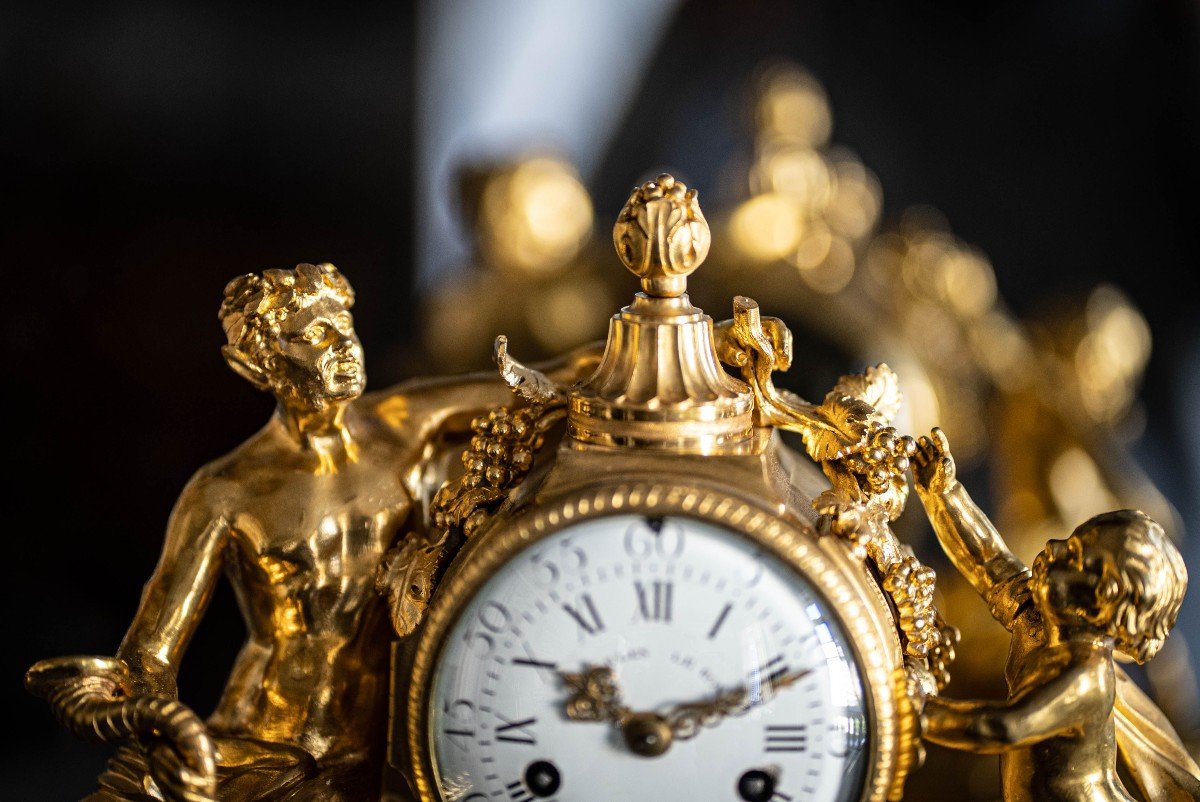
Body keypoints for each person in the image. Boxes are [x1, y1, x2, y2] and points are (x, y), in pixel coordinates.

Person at [28, 263, 514, 801]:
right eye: (315, 335)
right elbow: (153, 652)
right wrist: (145, 713)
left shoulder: (407, 423)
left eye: (345, 324)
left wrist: (629, 309)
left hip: (400, 738)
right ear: (255, 365)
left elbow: (553, 379)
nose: (346, 344)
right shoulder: (226, 491)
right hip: (274, 752)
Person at [911, 427, 1200, 801]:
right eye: (1070, 538)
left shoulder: (1084, 678)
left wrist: (916, 710)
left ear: (1100, 600)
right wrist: (943, 493)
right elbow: (988, 561)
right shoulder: (1039, 623)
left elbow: (1002, 727)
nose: (1054, 545)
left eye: (1075, 556)